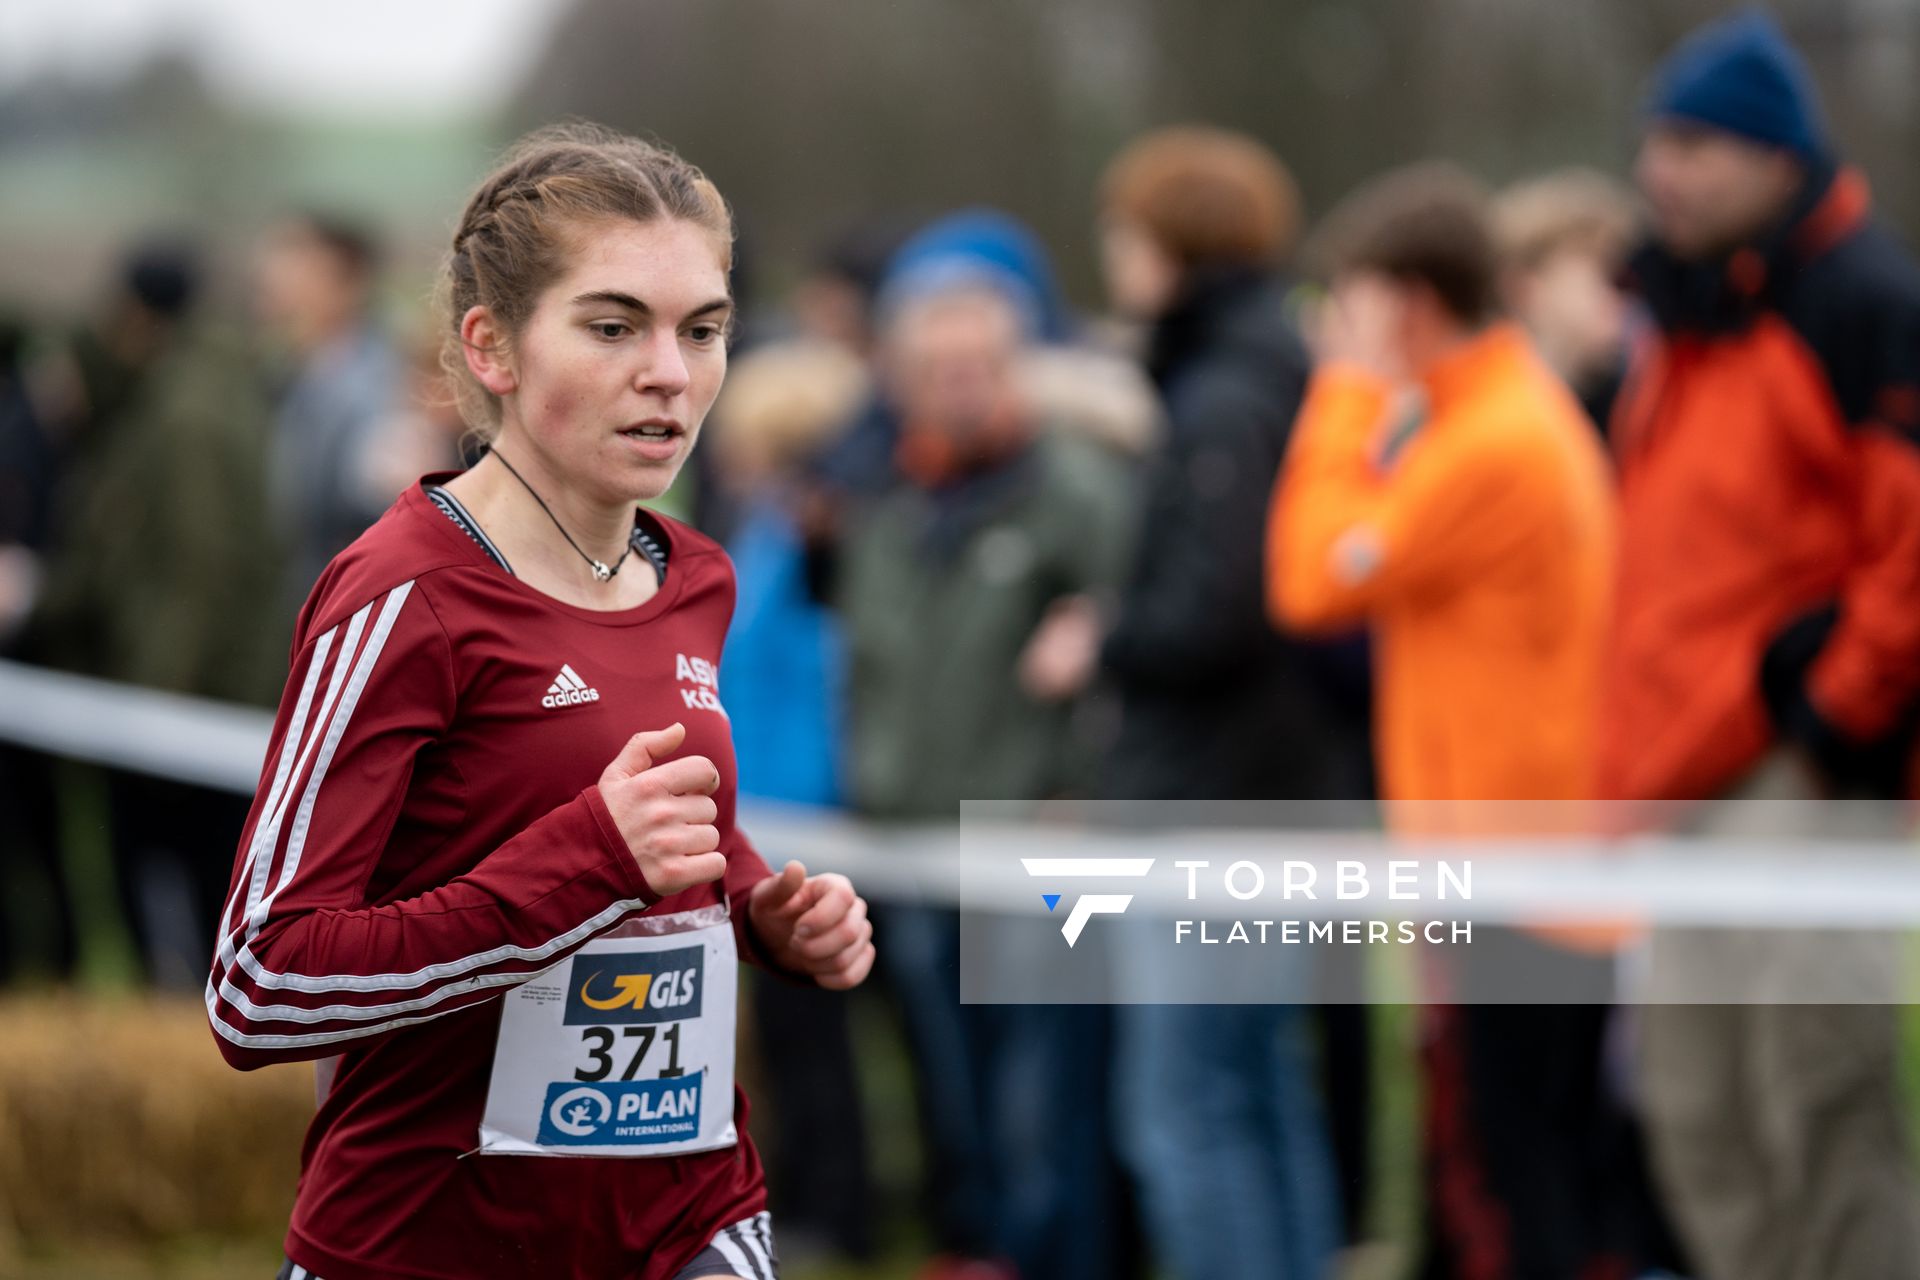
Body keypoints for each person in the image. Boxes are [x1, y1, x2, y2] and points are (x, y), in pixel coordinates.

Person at [205, 122, 876, 1280]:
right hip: (433, 1239)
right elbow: (260, 985)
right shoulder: (403, 595)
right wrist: (585, 862)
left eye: (702, 329)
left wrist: (761, 905)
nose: (670, 371)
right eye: (613, 325)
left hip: (690, 1220)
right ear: (494, 345)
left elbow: (677, 824)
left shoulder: (696, 572)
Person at [1606, 13, 1920, 1278]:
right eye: (1654, 143)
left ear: (1775, 157)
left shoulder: (1859, 301)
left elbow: (1909, 545)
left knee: (1820, 1108)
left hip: (1792, 774)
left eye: (1692, 144)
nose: (1659, 172)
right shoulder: (1685, 314)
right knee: (1696, 1111)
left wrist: (1835, 713)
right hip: (1678, 778)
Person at [1266, 163, 1622, 1279]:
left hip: (1522, 867)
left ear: (1406, 303)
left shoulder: (1493, 438)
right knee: (1514, 1166)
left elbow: (1314, 579)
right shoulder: (1496, 414)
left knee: (1518, 1181)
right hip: (1513, 852)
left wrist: (1345, 394)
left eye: (1353, 305)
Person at [1092, 126, 1364, 1280]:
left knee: (1187, 1108)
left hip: (1215, 798)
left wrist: (1101, 636)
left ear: (1168, 246)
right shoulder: (1276, 371)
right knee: (1260, 1086)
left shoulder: (1221, 397)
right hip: (1277, 786)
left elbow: (1219, 610)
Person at [837, 247, 1137, 1280]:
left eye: (980, 360)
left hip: (1040, 852)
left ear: (1019, 362)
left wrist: (1081, 794)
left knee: (1046, 1107)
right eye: (936, 363)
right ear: (899, 376)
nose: (959, 380)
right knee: (955, 1097)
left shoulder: (1078, 492)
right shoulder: (888, 508)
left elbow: (1128, 658)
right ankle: (983, 1248)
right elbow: (870, 667)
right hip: (915, 849)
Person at [253, 210, 404, 611]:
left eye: (300, 268)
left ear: (348, 284)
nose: (276, 280)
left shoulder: (370, 391)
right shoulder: (299, 374)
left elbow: (367, 522)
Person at [1492, 168, 1639, 434]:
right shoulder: (1490, 416)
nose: (1623, 299)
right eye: (1607, 276)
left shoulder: (1630, 409)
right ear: (1526, 288)